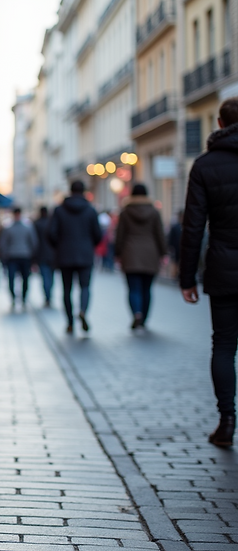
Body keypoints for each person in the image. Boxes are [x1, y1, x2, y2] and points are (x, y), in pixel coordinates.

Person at [180, 96, 238, 448]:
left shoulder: (204, 165)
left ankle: (227, 420)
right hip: (222, 265)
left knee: (224, 344)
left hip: (223, 266)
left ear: (218, 124)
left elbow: (193, 226)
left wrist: (187, 277)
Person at [48, 180, 103, 334]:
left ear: (70, 191)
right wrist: (89, 244)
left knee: (67, 289)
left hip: (65, 254)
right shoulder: (90, 210)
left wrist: (59, 246)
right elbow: (98, 234)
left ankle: (70, 322)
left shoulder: (59, 210)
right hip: (85, 255)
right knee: (85, 286)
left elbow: (51, 233)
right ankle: (83, 311)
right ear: (84, 191)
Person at [114, 183, 168, 330]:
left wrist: (117, 253)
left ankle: (136, 313)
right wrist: (163, 253)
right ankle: (144, 318)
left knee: (133, 289)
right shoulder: (154, 212)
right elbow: (159, 234)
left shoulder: (125, 212)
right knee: (147, 289)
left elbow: (120, 235)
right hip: (150, 254)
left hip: (130, 253)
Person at [0, 207, 38, 309]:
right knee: (24, 278)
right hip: (24, 256)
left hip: (13, 256)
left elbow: (3, 244)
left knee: (13, 278)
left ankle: (15, 298)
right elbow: (34, 242)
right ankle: (22, 298)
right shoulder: (27, 227)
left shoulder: (9, 228)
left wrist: (4, 255)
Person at [33, 206, 56, 308]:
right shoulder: (52, 223)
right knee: (50, 277)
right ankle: (49, 295)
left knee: (44, 277)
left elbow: (34, 241)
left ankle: (47, 296)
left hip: (41, 254)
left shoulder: (37, 224)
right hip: (52, 255)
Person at [167, 209, 183, 279]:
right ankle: (175, 275)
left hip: (182, 248)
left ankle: (178, 274)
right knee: (176, 262)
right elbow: (171, 238)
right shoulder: (175, 227)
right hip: (177, 248)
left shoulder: (184, 226)